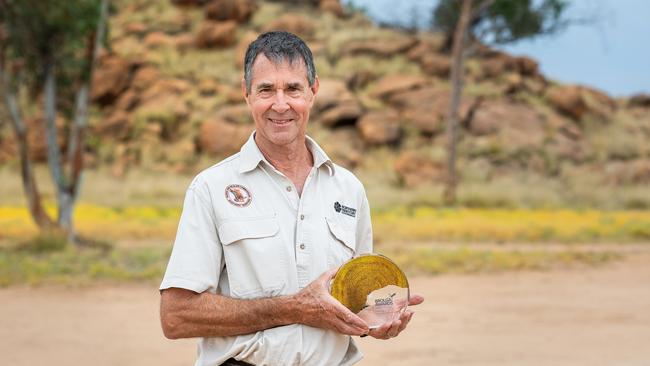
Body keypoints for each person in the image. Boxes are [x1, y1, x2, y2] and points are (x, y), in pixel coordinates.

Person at [159, 31, 424, 366]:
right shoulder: (211, 188)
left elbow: (354, 302)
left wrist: (377, 321)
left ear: (313, 92)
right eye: (266, 89)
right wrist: (294, 308)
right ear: (246, 94)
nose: (280, 104)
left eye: (293, 89)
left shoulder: (349, 189)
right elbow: (176, 316)